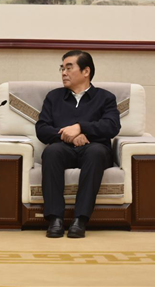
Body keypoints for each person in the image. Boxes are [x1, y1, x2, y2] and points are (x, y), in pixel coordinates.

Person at [36, 50, 120, 238]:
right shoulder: (54, 97)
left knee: (96, 152)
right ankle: (55, 218)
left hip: (94, 148)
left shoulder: (105, 98)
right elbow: (41, 129)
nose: (63, 73)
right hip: (63, 147)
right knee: (51, 152)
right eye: (62, 68)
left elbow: (112, 126)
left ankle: (80, 219)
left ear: (86, 71)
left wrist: (81, 127)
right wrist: (70, 135)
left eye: (69, 68)